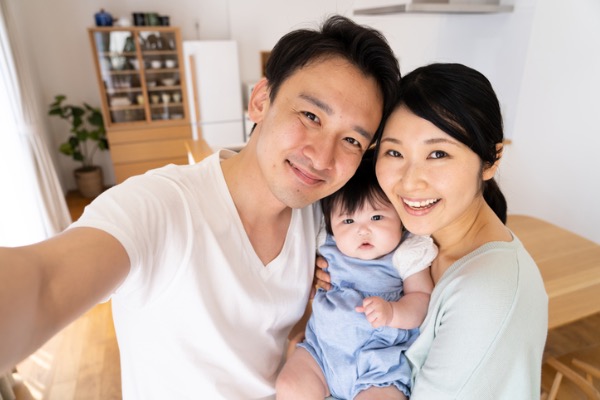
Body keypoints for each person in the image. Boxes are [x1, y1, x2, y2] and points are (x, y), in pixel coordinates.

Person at [0, 15, 400, 399]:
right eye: (311, 115)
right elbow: (46, 283)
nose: (322, 157)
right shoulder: (162, 205)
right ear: (261, 100)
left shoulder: (321, 218)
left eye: (351, 140)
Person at [316, 63, 549, 399]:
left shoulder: (486, 294)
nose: (410, 181)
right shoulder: (415, 241)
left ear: (491, 160)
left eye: (438, 154)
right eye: (394, 152)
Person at [276, 149, 437, 400]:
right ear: (331, 225)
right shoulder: (326, 245)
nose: (363, 231)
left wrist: (393, 312)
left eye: (376, 217)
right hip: (322, 353)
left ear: (400, 218)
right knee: (289, 385)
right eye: (348, 222)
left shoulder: (406, 253)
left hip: (378, 363)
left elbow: (422, 299)